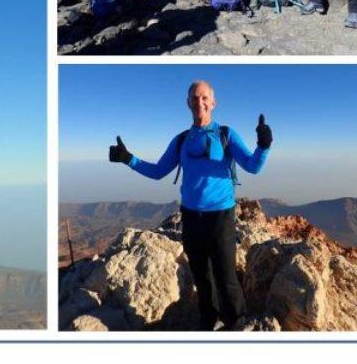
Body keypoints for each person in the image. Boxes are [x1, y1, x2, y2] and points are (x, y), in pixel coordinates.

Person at [108, 80, 273, 331]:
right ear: (188, 103)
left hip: (220, 216)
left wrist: (263, 145)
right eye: (195, 98)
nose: (200, 102)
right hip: (191, 217)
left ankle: (236, 323)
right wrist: (128, 159)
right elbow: (158, 171)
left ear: (213, 103)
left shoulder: (226, 134)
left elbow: (253, 166)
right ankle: (209, 321)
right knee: (201, 275)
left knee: (225, 276)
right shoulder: (182, 140)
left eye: (204, 98)